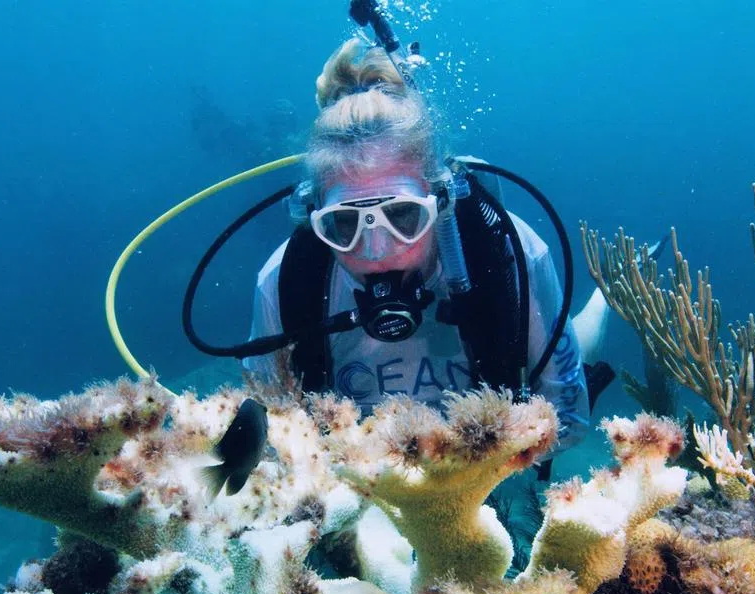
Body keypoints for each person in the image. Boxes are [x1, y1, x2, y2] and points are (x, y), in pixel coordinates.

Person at [242, 38, 594, 462]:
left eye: (404, 216)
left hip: (483, 482)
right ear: (316, 215)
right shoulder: (283, 281)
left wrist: (461, 486)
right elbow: (267, 442)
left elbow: (569, 417)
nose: (376, 252)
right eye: (345, 224)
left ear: (440, 200)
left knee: (574, 342)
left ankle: (602, 305)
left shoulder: (508, 252)